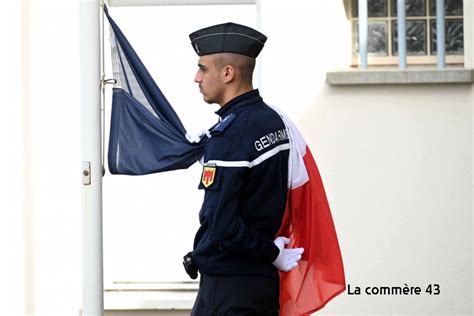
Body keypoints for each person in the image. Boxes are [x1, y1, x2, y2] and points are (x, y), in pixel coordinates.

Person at [184, 22, 304, 315]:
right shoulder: (274, 121)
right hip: (260, 286)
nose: (196, 77)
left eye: (203, 68)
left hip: (229, 289)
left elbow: (223, 227)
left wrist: (272, 252)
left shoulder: (229, 138)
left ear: (228, 73)